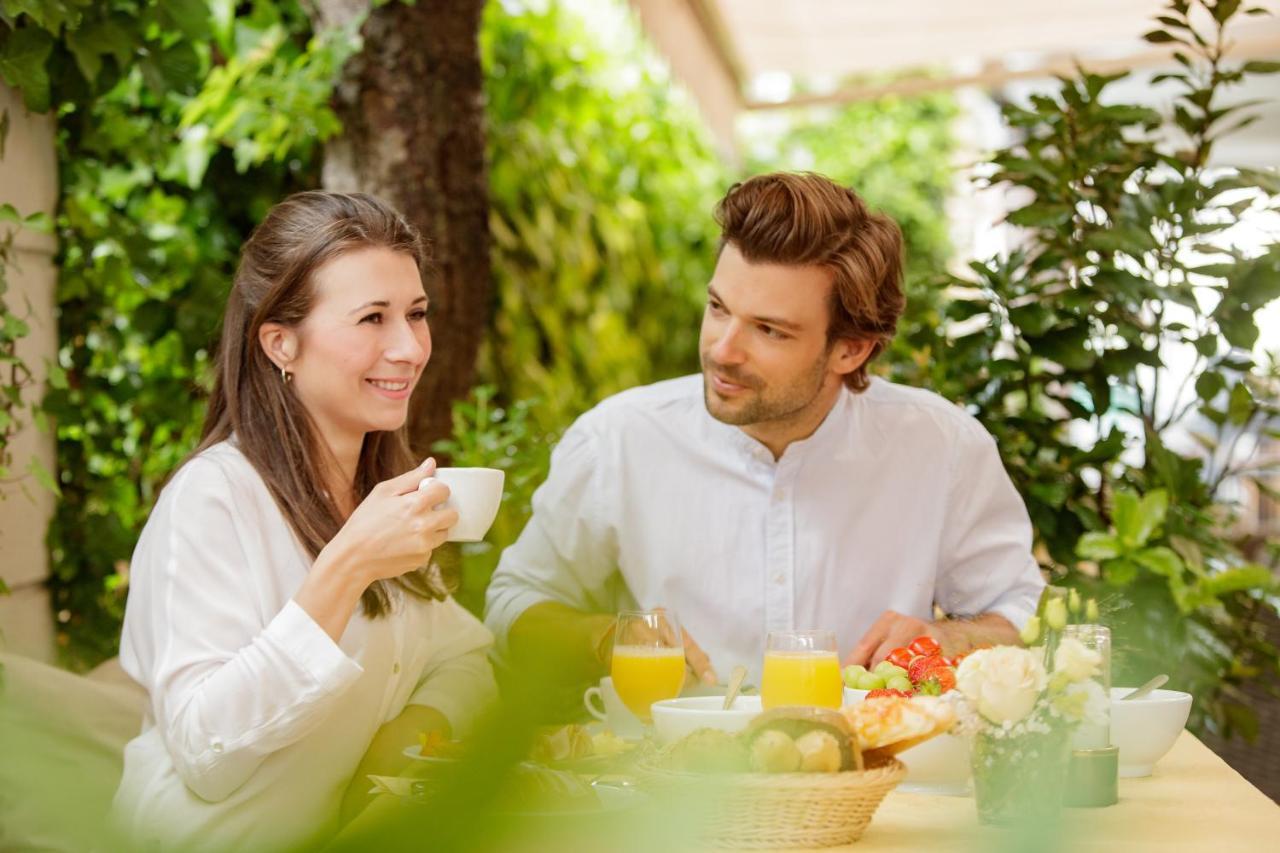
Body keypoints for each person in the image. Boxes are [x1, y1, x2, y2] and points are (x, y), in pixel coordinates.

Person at [484, 172, 1044, 691]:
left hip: (875, 781)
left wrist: (949, 639)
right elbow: (514, 603)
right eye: (718, 307)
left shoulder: (941, 446)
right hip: (660, 787)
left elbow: (1020, 611)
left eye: (770, 331)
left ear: (850, 349)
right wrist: (604, 639)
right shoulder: (618, 440)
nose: (722, 350)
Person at [112, 192, 496, 851]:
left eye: (416, 313)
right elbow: (206, 752)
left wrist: (399, 744)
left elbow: (464, 657)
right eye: (372, 318)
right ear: (281, 342)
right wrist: (346, 568)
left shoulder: (375, 493)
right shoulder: (211, 500)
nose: (408, 346)